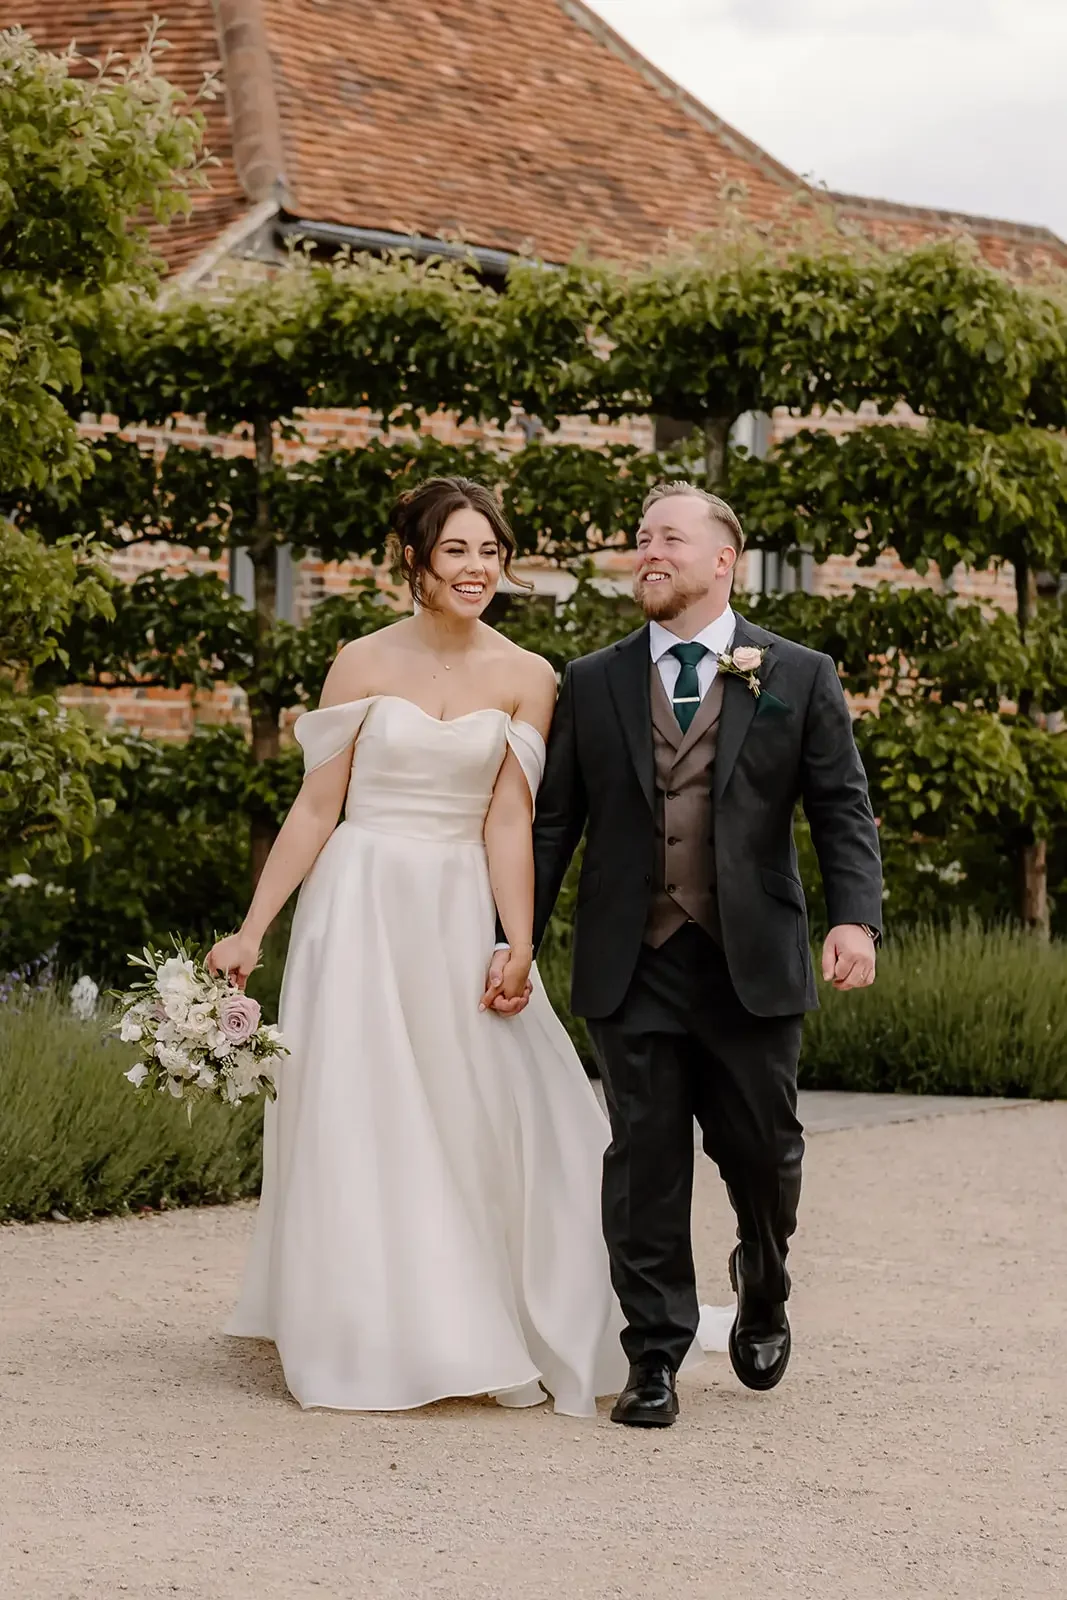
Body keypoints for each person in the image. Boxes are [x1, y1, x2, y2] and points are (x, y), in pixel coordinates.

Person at [208, 477, 726, 1417]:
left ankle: (493, 1307)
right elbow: (318, 806)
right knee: (359, 1110)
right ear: (414, 560)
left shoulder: (530, 675)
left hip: (454, 909)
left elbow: (508, 821)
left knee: (478, 1103)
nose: (477, 568)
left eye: (489, 551)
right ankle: (365, 1318)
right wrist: (252, 929)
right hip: (356, 906)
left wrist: (515, 941)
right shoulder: (357, 662)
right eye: (456, 550)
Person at [491, 482, 883, 1428]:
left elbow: (840, 808)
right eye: (638, 540)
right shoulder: (590, 680)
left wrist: (853, 920)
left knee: (763, 1151)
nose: (646, 552)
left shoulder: (799, 672)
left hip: (751, 957)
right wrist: (517, 937)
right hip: (633, 960)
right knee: (644, 1160)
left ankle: (763, 1273)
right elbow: (553, 828)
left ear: (723, 561)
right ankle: (655, 1355)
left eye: (668, 537)